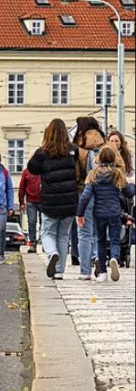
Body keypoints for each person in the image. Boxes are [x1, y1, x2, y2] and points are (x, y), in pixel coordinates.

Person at [27, 118, 83, 281]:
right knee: (63, 235)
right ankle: (59, 272)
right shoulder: (73, 151)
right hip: (69, 200)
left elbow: (32, 169)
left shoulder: (42, 152)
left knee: (47, 232)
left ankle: (52, 254)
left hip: (49, 200)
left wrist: (33, 155)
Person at [76, 144, 136, 282]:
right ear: (114, 159)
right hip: (114, 212)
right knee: (115, 239)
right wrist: (131, 184)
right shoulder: (117, 174)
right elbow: (129, 193)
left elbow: (85, 196)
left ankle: (102, 272)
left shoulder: (93, 174)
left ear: (99, 158)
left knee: (101, 241)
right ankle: (114, 258)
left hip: (99, 213)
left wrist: (80, 214)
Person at [72, 118, 106, 278]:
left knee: (84, 233)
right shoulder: (103, 145)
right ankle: (97, 257)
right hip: (103, 194)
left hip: (83, 193)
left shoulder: (80, 148)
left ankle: (85, 271)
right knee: (97, 232)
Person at [106, 130, 135, 267]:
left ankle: (121, 251)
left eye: (116, 141)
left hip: (123, 190)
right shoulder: (104, 156)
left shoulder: (127, 158)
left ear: (121, 143)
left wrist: (128, 180)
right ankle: (113, 253)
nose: (114, 143)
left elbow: (132, 175)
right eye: (111, 140)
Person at [19, 163, 42, 253]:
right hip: (31, 201)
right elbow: (22, 187)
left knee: (44, 223)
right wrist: (21, 202)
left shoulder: (43, 169)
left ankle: (45, 243)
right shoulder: (26, 171)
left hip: (43, 200)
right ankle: (33, 243)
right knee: (32, 222)